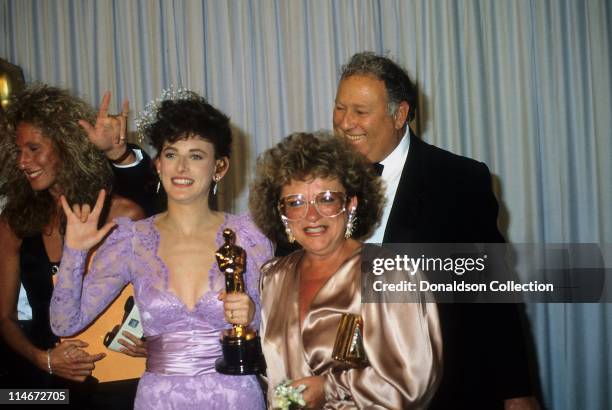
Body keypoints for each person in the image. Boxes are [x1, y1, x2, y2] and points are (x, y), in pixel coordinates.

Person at [332, 51, 539, 409]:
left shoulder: (459, 180)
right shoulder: (315, 181)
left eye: (360, 112)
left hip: (439, 385)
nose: (346, 122)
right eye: (339, 108)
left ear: (400, 114)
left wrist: (516, 391)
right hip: (339, 384)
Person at [50, 91, 272, 409]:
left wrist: (252, 316)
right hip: (160, 399)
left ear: (219, 167)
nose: (181, 167)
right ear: (158, 164)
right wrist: (74, 252)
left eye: (196, 155)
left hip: (235, 396)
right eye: (171, 154)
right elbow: (64, 323)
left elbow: (279, 327)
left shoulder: (250, 235)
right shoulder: (132, 239)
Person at [250, 132, 442, 408]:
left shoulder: (390, 272)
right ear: (282, 214)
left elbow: (413, 379)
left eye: (326, 198)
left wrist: (330, 387)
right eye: (295, 203)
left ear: (350, 204)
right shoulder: (273, 277)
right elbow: (272, 381)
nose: (312, 215)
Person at [0, 84, 144, 404]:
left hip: (119, 382)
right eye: (19, 151)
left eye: (34, 148)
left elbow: (163, 290)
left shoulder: (121, 213)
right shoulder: (14, 222)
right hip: (41, 384)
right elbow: (4, 317)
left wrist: (161, 339)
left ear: (65, 146)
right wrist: (43, 359)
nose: (24, 162)